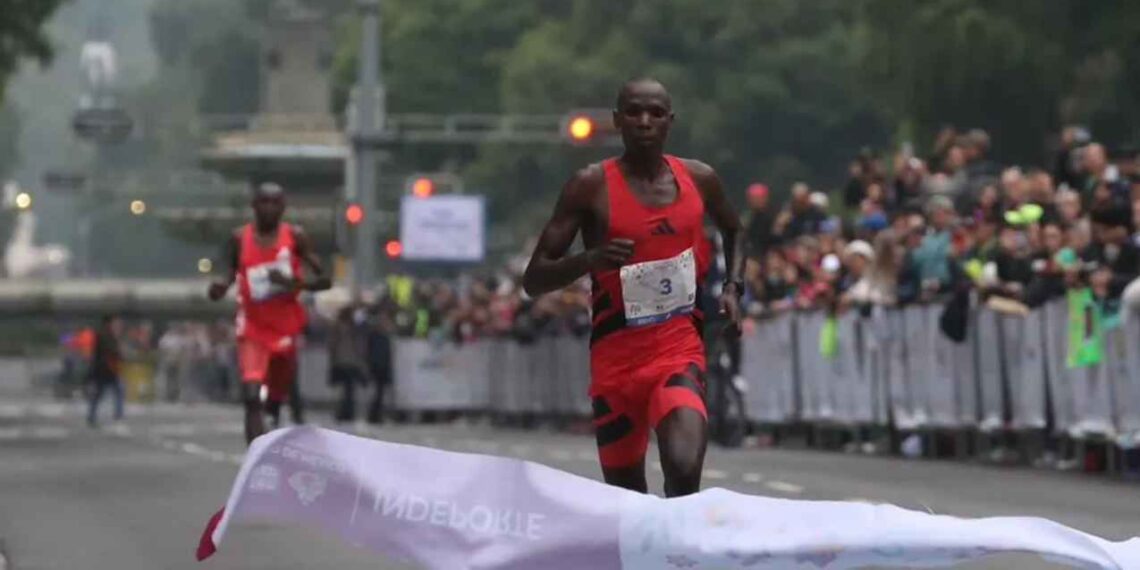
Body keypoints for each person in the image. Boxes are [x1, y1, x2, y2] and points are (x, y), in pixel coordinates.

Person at [523, 78, 742, 498]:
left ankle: (679, 541)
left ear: (670, 121)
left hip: (677, 352)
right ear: (617, 120)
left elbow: (734, 230)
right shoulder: (589, 186)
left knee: (684, 470)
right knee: (626, 500)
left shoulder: (700, 179)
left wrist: (733, 287)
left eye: (655, 113)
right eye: (634, 112)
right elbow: (534, 279)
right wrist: (590, 259)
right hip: (616, 368)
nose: (645, 121)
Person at [207, 182, 331, 445]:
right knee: (251, 395)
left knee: (276, 395)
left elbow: (325, 281)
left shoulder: (296, 237)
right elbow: (228, 274)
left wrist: (292, 283)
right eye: (264, 202)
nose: (269, 208)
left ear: (283, 207)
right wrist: (219, 288)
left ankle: (273, 416)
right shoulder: (239, 238)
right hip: (252, 327)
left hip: (285, 327)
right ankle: (255, 454)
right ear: (254, 206)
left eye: (275, 203)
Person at [87, 315, 124, 428]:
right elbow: (112, 350)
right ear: (109, 323)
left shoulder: (106, 334)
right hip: (105, 368)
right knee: (111, 391)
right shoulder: (104, 335)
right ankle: (116, 415)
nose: (117, 326)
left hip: (106, 368)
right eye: (115, 323)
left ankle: (115, 415)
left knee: (115, 391)